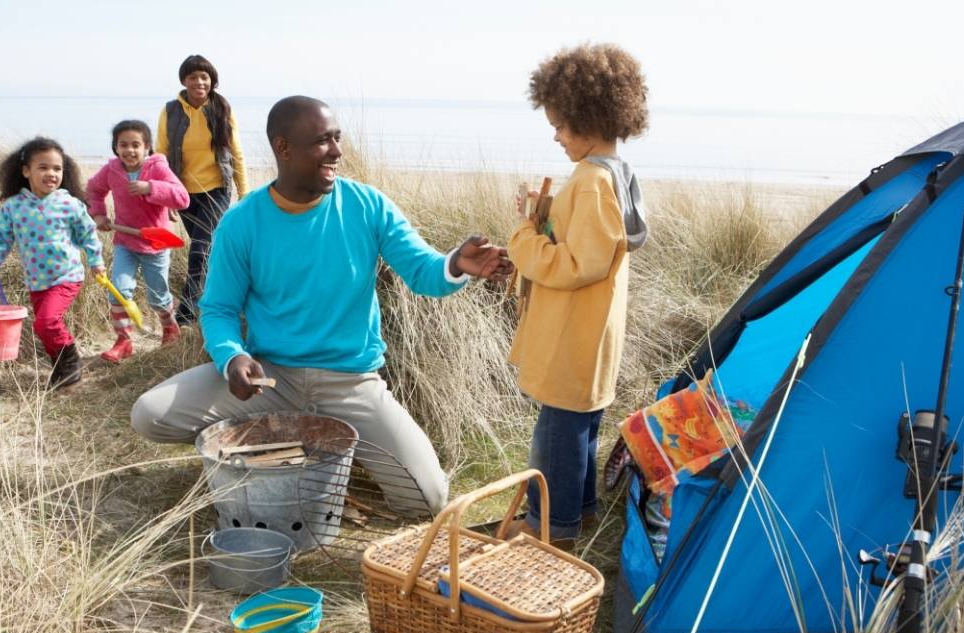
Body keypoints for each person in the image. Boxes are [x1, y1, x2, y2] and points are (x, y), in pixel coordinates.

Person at [131, 96, 513, 514]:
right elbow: (219, 309)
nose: (336, 151)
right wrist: (231, 357)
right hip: (270, 381)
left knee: (426, 499)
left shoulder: (368, 206)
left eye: (337, 138)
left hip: (351, 384)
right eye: (321, 141)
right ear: (283, 148)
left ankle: (321, 447)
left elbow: (424, 272)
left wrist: (456, 263)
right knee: (150, 414)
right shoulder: (242, 221)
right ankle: (271, 442)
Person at [507, 43, 650, 548]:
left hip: (572, 334)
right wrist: (546, 218)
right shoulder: (616, 173)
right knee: (580, 427)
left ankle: (551, 529)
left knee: (557, 438)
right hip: (592, 332)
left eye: (561, 125)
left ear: (588, 121)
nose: (555, 134)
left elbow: (577, 263)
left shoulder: (590, 181)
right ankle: (580, 512)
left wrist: (525, 236)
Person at [0, 137, 106, 389]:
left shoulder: (69, 204)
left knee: (46, 322)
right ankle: (62, 371)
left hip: (67, 276)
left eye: (57, 169)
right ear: (26, 171)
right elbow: (1, 240)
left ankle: (70, 364)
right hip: (36, 280)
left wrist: (96, 262)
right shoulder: (13, 207)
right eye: (43, 167)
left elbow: (88, 235)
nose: (51, 173)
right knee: (44, 328)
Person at [155, 55, 249, 325]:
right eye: (193, 76)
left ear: (212, 81)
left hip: (216, 190)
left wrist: (244, 193)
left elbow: (236, 152)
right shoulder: (171, 110)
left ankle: (186, 314)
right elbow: (160, 154)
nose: (199, 82)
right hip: (183, 193)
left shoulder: (222, 109)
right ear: (184, 80)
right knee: (208, 252)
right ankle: (219, 300)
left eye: (204, 77)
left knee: (200, 250)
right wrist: (164, 197)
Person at [87, 120, 191, 362]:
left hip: (155, 243)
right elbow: (93, 190)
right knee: (119, 292)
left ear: (147, 147)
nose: (129, 150)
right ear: (116, 147)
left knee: (157, 296)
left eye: (136, 144)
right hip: (125, 241)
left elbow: (182, 199)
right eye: (123, 145)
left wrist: (150, 187)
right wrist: (99, 213)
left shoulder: (157, 168)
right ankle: (123, 341)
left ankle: (169, 328)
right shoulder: (111, 170)